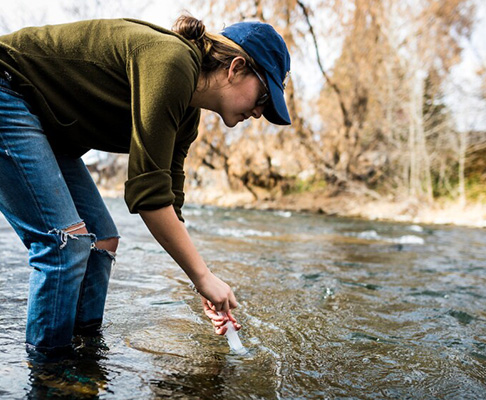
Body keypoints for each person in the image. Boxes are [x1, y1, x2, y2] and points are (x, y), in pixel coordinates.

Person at [0, 14, 291, 355]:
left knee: (101, 241)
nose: (260, 112)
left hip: (46, 127)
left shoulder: (187, 115)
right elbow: (147, 195)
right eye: (263, 98)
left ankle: (84, 351)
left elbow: (170, 202)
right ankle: (51, 369)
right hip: (9, 91)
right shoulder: (173, 62)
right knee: (66, 243)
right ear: (236, 67)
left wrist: (202, 282)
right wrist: (203, 277)